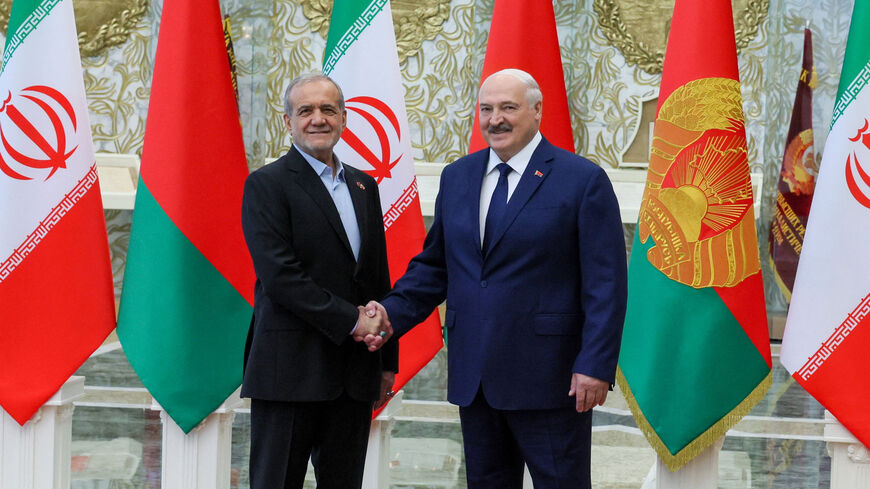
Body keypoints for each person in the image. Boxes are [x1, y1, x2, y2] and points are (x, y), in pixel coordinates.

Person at [366, 69, 627, 489]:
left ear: (537, 111)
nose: (495, 119)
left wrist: (595, 365)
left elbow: (606, 284)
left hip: (552, 380)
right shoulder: (458, 177)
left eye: (508, 107)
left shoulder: (581, 180)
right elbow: (436, 267)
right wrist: (390, 314)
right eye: (486, 109)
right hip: (477, 378)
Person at [240, 73, 396, 489]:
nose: (317, 119)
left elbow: (377, 277)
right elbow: (281, 276)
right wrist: (353, 320)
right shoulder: (266, 185)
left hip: (354, 374)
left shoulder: (365, 185)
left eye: (328, 109)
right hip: (289, 371)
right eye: (305, 110)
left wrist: (387, 361)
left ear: (343, 119)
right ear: (287, 121)